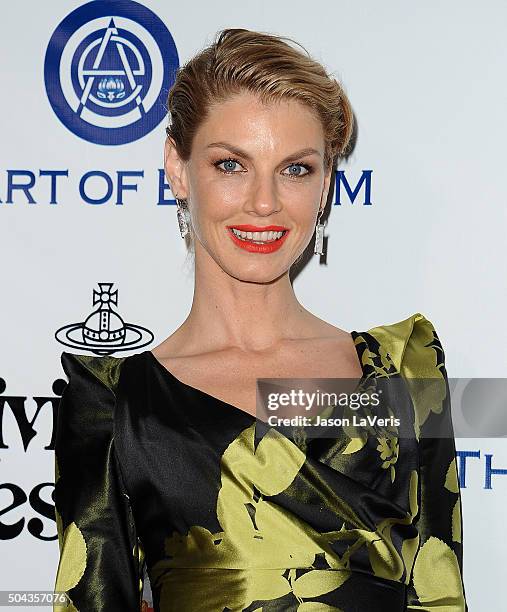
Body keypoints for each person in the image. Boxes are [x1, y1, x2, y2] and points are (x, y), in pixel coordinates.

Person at [53, 28, 467, 611]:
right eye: (231, 164)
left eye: (295, 169)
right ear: (177, 166)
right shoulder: (114, 404)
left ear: (325, 184)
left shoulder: (406, 371)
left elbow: (442, 591)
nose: (265, 202)